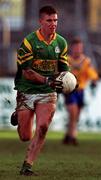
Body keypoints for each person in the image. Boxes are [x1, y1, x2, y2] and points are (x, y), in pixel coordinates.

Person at [10, 5, 69, 176]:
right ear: (40, 21)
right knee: (25, 136)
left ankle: (27, 166)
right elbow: (27, 72)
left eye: (55, 20)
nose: (53, 24)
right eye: (49, 20)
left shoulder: (61, 42)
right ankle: (18, 115)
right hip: (27, 89)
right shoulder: (29, 42)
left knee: (43, 127)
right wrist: (47, 79)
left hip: (47, 92)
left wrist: (69, 81)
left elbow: (64, 69)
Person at [62, 37, 99, 146]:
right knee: (73, 112)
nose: (78, 49)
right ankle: (73, 137)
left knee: (76, 116)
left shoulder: (86, 61)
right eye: (76, 47)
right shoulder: (66, 60)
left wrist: (94, 80)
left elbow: (92, 73)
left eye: (80, 47)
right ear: (72, 48)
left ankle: (68, 135)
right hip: (70, 90)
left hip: (81, 90)